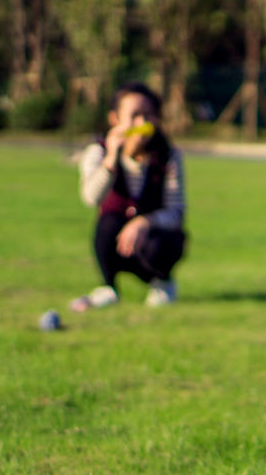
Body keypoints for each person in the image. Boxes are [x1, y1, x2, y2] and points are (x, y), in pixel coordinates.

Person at [71, 82, 186, 311]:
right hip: (115, 241)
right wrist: (111, 160)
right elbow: (91, 198)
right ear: (115, 119)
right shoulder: (99, 151)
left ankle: (161, 282)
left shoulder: (167, 155)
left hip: (151, 241)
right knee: (107, 221)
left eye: (148, 115)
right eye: (134, 116)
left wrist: (145, 222)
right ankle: (108, 287)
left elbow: (177, 211)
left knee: (166, 240)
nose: (142, 124)